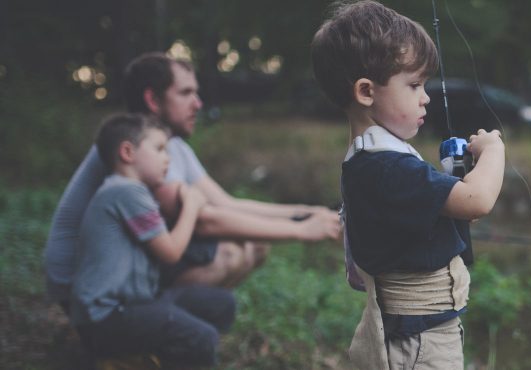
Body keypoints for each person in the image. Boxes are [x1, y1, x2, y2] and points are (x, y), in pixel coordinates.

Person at [44, 53, 343, 310]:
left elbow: (227, 203)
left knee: (254, 245)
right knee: (229, 253)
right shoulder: (135, 152)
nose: (198, 103)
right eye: (186, 93)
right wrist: (302, 230)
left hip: (123, 267)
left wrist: (308, 211)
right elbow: (205, 221)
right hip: (83, 286)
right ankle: (149, 335)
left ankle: (174, 330)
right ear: (152, 98)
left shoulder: (171, 146)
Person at [311, 1, 506, 368]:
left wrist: (448, 209)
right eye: (414, 84)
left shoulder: (371, 160)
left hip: (420, 334)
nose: (425, 96)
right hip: (420, 343)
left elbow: (428, 214)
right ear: (366, 92)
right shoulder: (385, 166)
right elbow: (478, 200)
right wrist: (493, 149)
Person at [70, 113, 234, 367]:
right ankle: (126, 357)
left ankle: (147, 357)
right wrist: (192, 204)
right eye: (159, 149)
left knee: (222, 304)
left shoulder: (129, 192)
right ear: (128, 152)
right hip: (106, 318)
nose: (167, 158)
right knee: (202, 337)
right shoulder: (126, 191)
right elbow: (170, 252)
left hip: (137, 304)